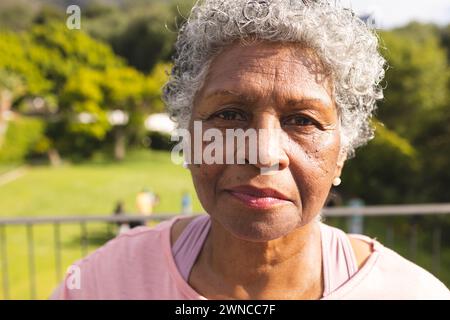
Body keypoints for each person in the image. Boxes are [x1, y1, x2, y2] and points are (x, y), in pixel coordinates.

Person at [51, 0, 449, 299]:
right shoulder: (105, 284)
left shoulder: (409, 293)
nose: (262, 152)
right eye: (230, 113)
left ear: (342, 151)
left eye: (303, 120)